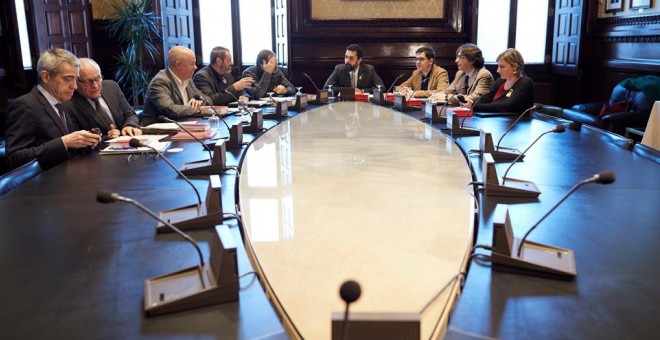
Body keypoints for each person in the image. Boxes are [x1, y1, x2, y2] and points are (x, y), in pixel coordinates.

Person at [5, 48, 101, 171]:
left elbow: (67, 149)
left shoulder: (62, 101)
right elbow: (14, 158)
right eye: (67, 79)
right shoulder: (25, 105)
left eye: (75, 79)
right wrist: (63, 142)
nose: (75, 86)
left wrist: (85, 142)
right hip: (44, 183)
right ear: (45, 76)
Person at [65, 58, 141, 139]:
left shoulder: (111, 87)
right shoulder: (69, 104)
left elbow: (130, 114)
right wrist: (107, 137)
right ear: (76, 82)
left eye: (98, 78)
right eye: (88, 82)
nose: (95, 86)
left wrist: (129, 125)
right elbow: (77, 140)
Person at [141, 46, 207, 125]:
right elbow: (170, 110)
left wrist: (200, 102)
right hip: (159, 132)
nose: (195, 67)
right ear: (178, 65)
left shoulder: (187, 79)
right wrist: (197, 109)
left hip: (185, 126)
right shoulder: (160, 81)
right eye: (192, 64)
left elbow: (207, 99)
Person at [464, 48, 535, 114]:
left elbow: (508, 106)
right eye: (498, 66)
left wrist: (474, 106)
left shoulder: (525, 82)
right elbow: (485, 98)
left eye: (502, 67)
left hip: (517, 124)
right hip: (497, 120)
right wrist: (471, 102)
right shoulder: (501, 81)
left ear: (515, 67)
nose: (498, 70)